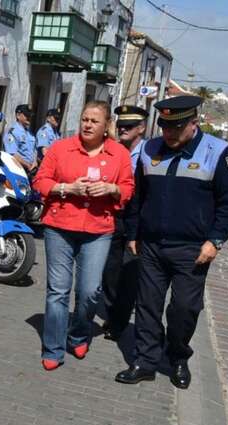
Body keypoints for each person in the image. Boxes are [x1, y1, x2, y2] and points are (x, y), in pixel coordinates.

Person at [116, 96, 228, 388]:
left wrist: (215, 240)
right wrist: (134, 233)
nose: (169, 134)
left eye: (176, 127)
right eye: (165, 127)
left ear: (193, 123)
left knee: (184, 309)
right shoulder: (149, 149)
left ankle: (177, 357)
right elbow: (138, 196)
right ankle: (146, 361)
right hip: (151, 244)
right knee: (147, 305)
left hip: (193, 249)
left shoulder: (218, 152)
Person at [32, 101, 135, 371]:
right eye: (84, 119)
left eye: (94, 121)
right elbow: (40, 181)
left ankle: (78, 334)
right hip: (60, 227)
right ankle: (53, 347)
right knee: (58, 290)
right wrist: (67, 188)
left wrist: (111, 189)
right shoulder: (60, 148)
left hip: (98, 230)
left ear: (106, 126)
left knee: (90, 291)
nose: (87, 125)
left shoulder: (119, 154)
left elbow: (128, 188)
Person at [100, 105, 148, 341]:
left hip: (136, 222)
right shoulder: (115, 151)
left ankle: (118, 322)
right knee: (110, 272)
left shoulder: (150, 154)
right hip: (114, 217)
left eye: (128, 126)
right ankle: (111, 312)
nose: (122, 130)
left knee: (129, 275)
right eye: (120, 125)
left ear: (141, 128)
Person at [4, 104, 38, 176]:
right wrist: (28, 165)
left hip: (31, 170)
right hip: (18, 170)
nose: (29, 117)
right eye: (26, 115)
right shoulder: (12, 132)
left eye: (30, 115)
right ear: (18, 115)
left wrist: (35, 162)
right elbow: (12, 154)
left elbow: (34, 150)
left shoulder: (29, 132)